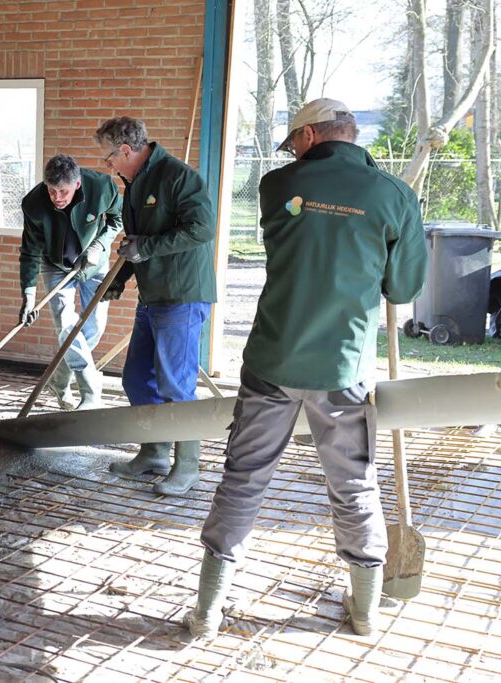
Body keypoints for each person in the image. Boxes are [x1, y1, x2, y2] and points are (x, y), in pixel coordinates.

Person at [185, 98, 428, 639]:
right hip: (343, 367)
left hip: (272, 362)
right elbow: (404, 287)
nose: (290, 151)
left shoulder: (277, 188)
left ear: (312, 137)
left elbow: (306, 224)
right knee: (355, 486)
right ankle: (365, 612)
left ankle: (205, 612)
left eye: (294, 141)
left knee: (243, 479)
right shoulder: (394, 196)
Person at [94, 116, 217, 496]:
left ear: (125, 150)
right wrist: (118, 280)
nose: (108, 164)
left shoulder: (177, 177)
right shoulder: (134, 185)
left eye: (109, 157)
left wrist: (144, 247)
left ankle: (188, 466)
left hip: (181, 296)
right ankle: (154, 453)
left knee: (176, 385)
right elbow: (136, 243)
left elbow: (202, 229)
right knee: (136, 378)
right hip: (152, 297)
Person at [19, 154, 124, 410]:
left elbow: (117, 219)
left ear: (77, 184)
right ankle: (90, 393)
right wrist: (29, 296)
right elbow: (30, 251)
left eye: (63, 191)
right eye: (52, 190)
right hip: (55, 266)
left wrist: (99, 246)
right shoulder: (34, 204)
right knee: (67, 327)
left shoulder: (102, 187)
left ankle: (59, 381)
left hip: (95, 264)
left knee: (93, 330)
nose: (57, 197)